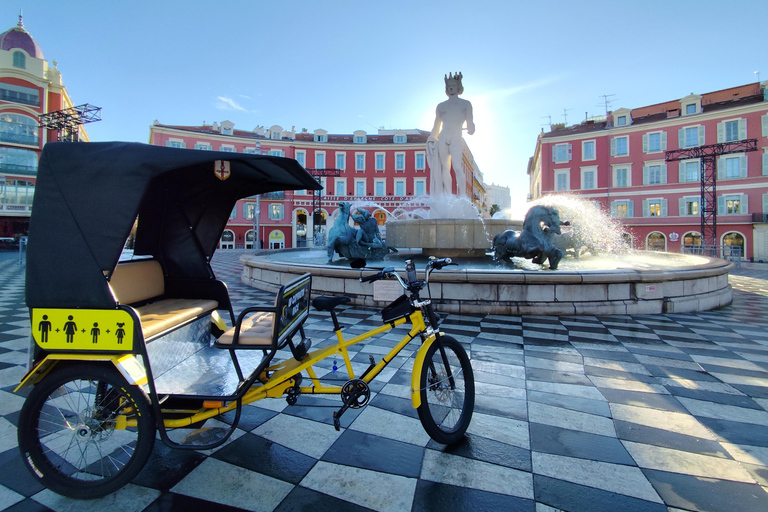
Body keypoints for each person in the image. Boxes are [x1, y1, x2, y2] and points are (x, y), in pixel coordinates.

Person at [427, 72, 475, 198]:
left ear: (459, 87)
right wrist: (432, 138)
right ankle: (448, 196)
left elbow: (470, 122)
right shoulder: (441, 106)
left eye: (454, 84)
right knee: (445, 167)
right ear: (446, 88)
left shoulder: (466, 104)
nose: (451, 87)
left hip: (456, 136)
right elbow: (436, 125)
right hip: (443, 137)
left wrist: (471, 127)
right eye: (449, 85)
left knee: (457, 166)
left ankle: (463, 196)